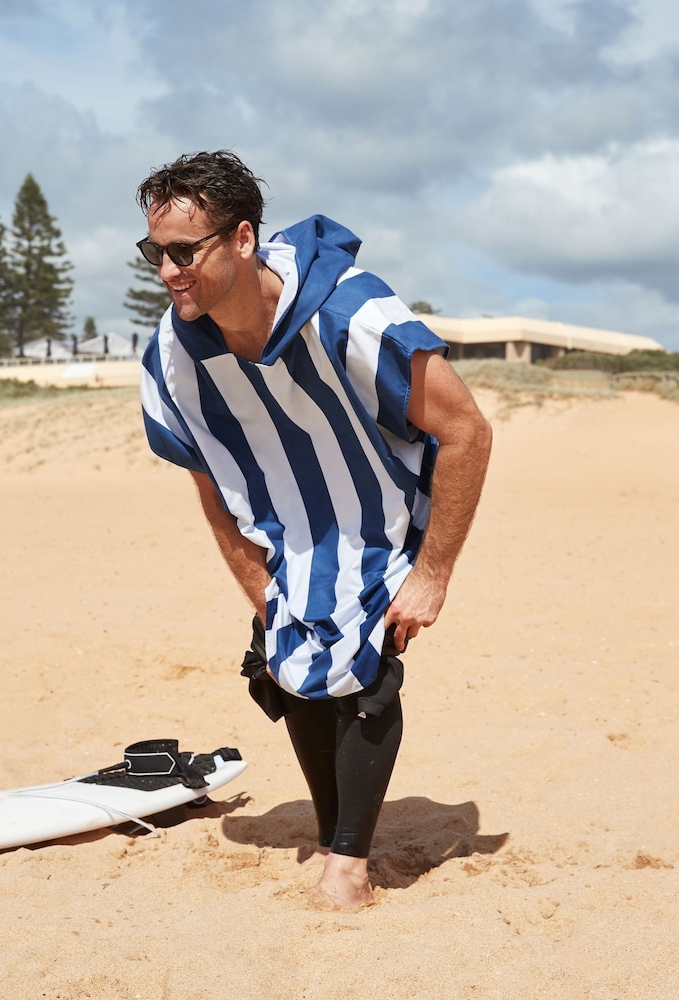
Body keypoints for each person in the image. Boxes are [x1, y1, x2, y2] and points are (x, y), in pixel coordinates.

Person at [137, 150, 492, 907]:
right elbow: (203, 467)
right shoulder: (173, 352)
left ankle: (349, 866)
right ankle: (335, 836)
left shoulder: (350, 312)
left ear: (241, 239)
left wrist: (432, 575)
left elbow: (466, 429)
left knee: (363, 665)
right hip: (286, 525)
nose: (168, 271)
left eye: (183, 251)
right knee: (289, 661)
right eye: (153, 252)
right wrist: (250, 575)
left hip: (382, 508)